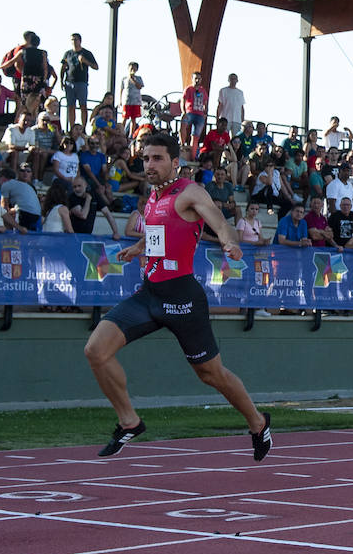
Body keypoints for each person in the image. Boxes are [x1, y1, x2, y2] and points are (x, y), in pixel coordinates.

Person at [83, 131, 272, 460]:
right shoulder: (154, 194)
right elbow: (158, 231)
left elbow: (219, 222)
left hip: (182, 298)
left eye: (157, 159)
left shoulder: (190, 192)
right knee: (96, 350)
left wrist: (229, 241)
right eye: (145, 158)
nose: (150, 164)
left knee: (210, 374)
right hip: (149, 294)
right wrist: (138, 247)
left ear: (176, 162)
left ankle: (257, 422)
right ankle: (129, 421)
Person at [59, 33, 98, 128]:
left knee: (83, 106)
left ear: (80, 40)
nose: (74, 42)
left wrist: (85, 61)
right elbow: (63, 67)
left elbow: (96, 66)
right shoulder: (68, 53)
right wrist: (61, 81)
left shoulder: (86, 53)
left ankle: (83, 127)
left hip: (82, 82)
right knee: (71, 106)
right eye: (72, 40)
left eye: (76, 39)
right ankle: (72, 127)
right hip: (69, 82)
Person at [119, 61, 144, 136]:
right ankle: (121, 132)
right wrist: (120, 100)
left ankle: (131, 134)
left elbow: (139, 87)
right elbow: (121, 89)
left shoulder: (138, 78)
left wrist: (133, 79)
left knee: (133, 119)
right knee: (124, 118)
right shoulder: (124, 79)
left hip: (136, 101)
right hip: (127, 101)